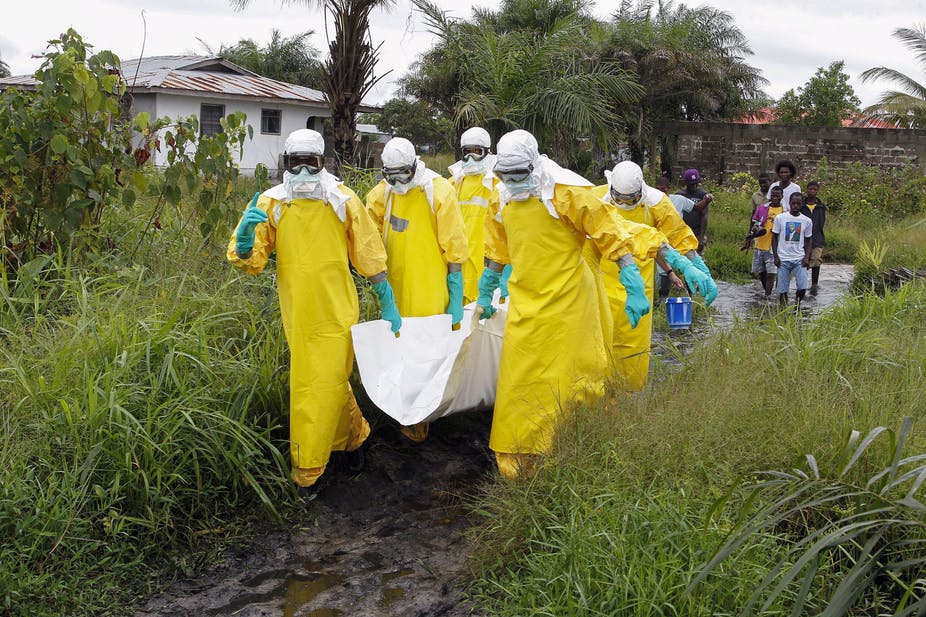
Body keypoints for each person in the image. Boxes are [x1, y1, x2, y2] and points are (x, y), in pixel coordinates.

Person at [227, 128, 402, 493]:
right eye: (297, 163)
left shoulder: (342, 199)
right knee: (329, 381)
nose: (304, 171)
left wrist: (386, 297)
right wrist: (245, 245)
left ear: (323, 163)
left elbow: (368, 251)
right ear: (286, 164)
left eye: (312, 162)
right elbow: (252, 260)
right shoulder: (271, 203)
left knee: (315, 383)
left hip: (338, 309)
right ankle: (355, 440)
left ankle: (308, 466)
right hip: (298, 311)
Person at [475, 129, 651, 480]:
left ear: (534, 165)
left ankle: (574, 446)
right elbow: (497, 247)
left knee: (572, 377)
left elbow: (609, 233)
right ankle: (519, 455)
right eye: (505, 176)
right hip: (526, 299)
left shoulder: (566, 192)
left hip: (571, 301)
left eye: (518, 175)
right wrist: (486, 286)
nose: (512, 182)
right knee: (520, 378)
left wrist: (632, 282)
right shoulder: (501, 197)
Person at [366, 136, 469, 442]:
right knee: (399, 351)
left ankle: (424, 414)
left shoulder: (438, 191)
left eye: (403, 174)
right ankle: (403, 409)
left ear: (414, 167)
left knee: (427, 352)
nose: (398, 181)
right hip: (395, 288)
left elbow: (455, 246)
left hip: (429, 288)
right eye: (391, 175)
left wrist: (455, 291)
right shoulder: (382, 194)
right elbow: (367, 236)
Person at [594, 161, 718, 390]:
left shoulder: (657, 203)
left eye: (631, 200)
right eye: (620, 200)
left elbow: (677, 234)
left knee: (633, 348)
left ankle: (626, 397)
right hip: (600, 283)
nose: (625, 204)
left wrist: (696, 264)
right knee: (598, 345)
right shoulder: (595, 199)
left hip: (639, 286)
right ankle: (599, 401)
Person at [448, 127, 501, 304]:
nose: (471, 158)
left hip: (487, 264)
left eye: (477, 152)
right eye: (467, 152)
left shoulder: (497, 183)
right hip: (459, 264)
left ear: (487, 152)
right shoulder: (454, 183)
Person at [654, 175, 694, 298]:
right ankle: (662, 297)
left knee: (687, 266)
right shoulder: (652, 204)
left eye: (664, 190)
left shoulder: (678, 200)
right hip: (660, 243)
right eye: (659, 190)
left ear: (669, 189)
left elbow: (697, 209)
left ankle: (690, 295)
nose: (662, 194)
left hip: (677, 242)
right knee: (664, 272)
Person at [772, 192, 813, 307]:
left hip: (799, 259)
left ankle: (797, 305)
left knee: (802, 287)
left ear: (801, 204)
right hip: (783, 259)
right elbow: (774, 237)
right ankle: (783, 311)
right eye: (793, 203)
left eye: (798, 204)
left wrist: (806, 257)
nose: (795, 206)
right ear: (789, 203)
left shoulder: (807, 221)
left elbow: (808, 240)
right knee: (783, 289)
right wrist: (775, 256)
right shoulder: (780, 218)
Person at [745, 185, 784, 297]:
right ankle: (768, 292)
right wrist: (754, 230)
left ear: (782, 196)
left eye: (778, 196)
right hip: (760, 244)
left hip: (774, 247)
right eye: (773, 195)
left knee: (771, 273)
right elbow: (755, 222)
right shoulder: (762, 208)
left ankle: (767, 297)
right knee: (761, 273)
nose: (775, 198)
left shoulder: (785, 211)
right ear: (770, 196)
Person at [676, 168, 713, 254]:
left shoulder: (702, 195)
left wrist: (701, 238)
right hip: (683, 234)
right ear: (686, 183)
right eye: (691, 184)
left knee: (698, 259)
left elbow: (704, 216)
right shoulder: (679, 195)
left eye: (695, 184)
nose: (694, 186)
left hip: (697, 233)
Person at [800, 180, 827, 295]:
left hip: (817, 238)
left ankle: (814, 284)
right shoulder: (801, 205)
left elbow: (822, 223)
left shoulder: (821, 206)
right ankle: (802, 284)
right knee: (804, 261)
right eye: (810, 189)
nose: (812, 191)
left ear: (817, 191)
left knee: (816, 260)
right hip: (803, 239)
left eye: (815, 189)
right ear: (807, 190)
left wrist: (818, 237)